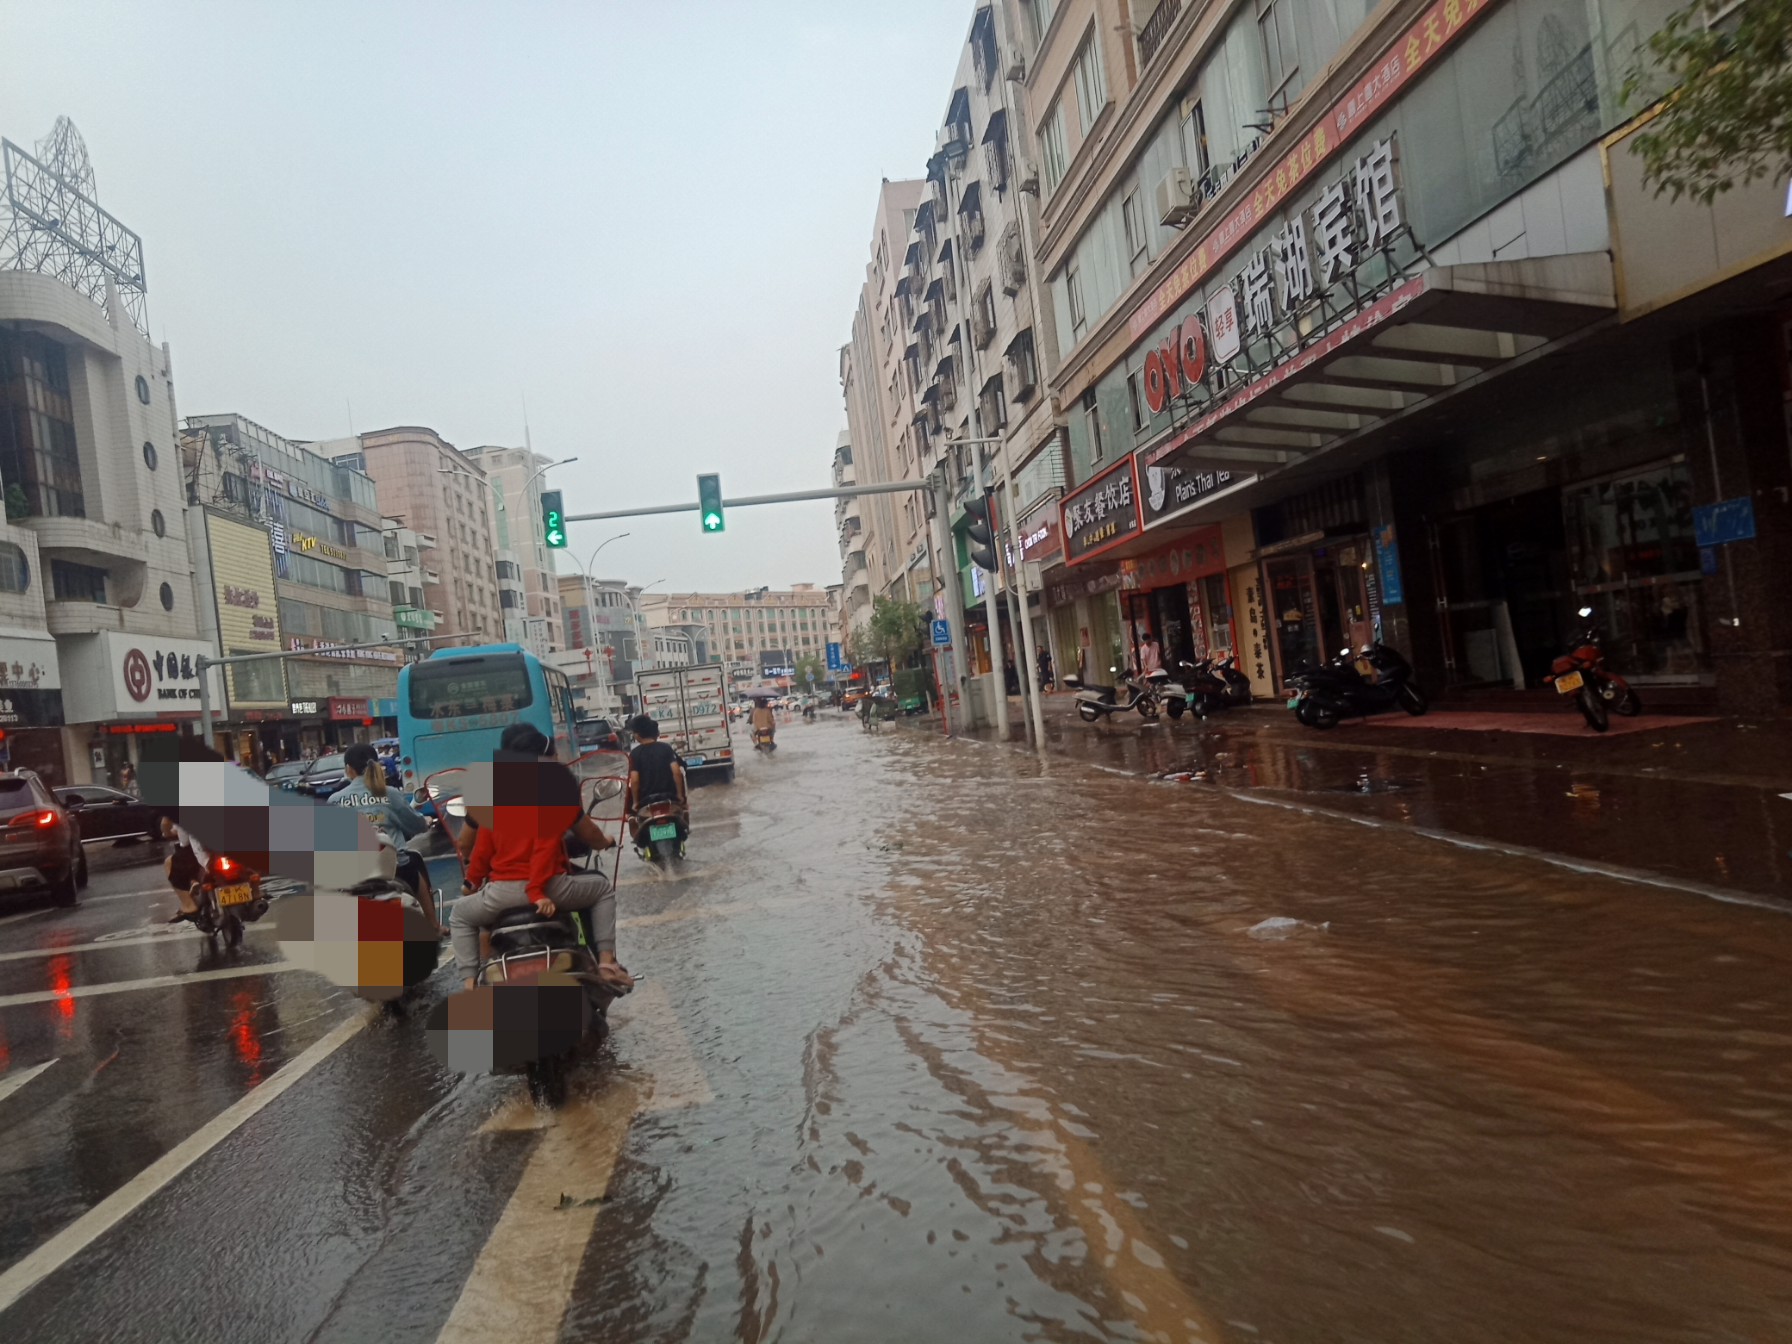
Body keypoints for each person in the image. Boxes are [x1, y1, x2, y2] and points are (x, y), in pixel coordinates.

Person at [451, 724, 629, 993]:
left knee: (459, 915)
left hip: (500, 893)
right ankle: (606, 963)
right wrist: (536, 891)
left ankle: (470, 983)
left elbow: (476, 850)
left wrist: (471, 883)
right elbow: (552, 849)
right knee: (602, 889)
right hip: (548, 888)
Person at [328, 742, 443, 935]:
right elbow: (416, 824)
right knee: (414, 862)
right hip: (396, 869)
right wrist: (425, 822)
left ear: (349, 769)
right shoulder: (390, 793)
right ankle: (434, 926)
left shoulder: (335, 800)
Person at [627, 715, 688, 845]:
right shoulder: (665, 748)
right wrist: (680, 795)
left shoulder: (635, 754)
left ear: (637, 734)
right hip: (670, 799)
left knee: (630, 816)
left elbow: (635, 781)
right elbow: (677, 772)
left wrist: (635, 802)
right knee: (684, 810)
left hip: (645, 803)